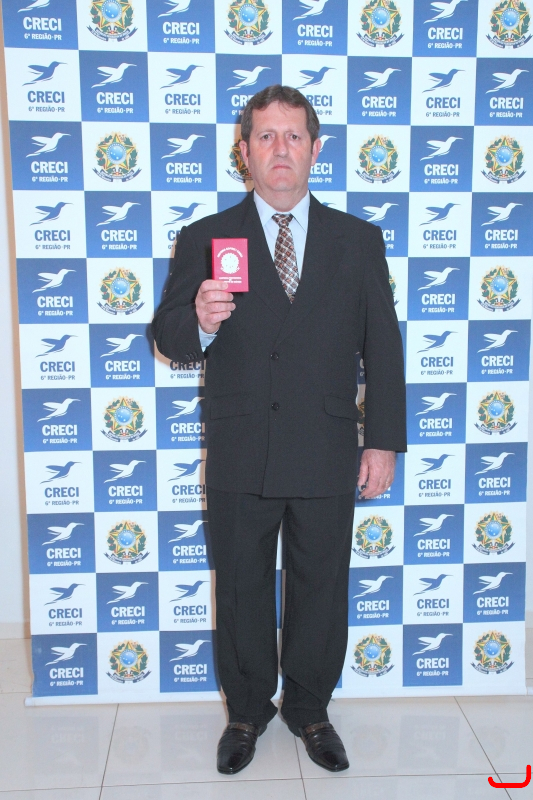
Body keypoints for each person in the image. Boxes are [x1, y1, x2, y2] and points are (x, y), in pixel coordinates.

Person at [152, 85, 406, 775]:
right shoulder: (206, 237)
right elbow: (168, 335)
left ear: (315, 149)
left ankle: (310, 709)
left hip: (326, 444)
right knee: (240, 586)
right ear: (245, 152)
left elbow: (383, 347)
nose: (280, 149)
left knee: (321, 582)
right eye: (265, 136)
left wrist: (383, 441)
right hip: (242, 444)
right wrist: (200, 321)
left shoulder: (358, 240)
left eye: (293, 136)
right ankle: (245, 712)